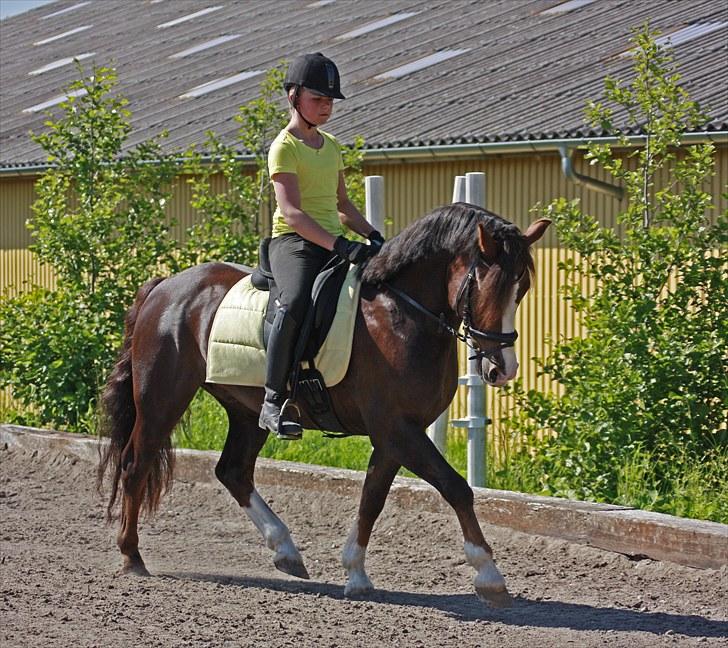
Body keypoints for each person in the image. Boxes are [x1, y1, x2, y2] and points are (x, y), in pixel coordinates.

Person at [260, 52, 385, 440]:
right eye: (318, 99)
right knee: (295, 301)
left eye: (330, 100)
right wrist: (340, 246)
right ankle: (272, 399)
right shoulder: (284, 147)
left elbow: (342, 205)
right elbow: (293, 212)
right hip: (294, 244)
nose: (326, 106)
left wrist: (374, 235)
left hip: (334, 242)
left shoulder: (331, 146)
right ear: (293, 97)